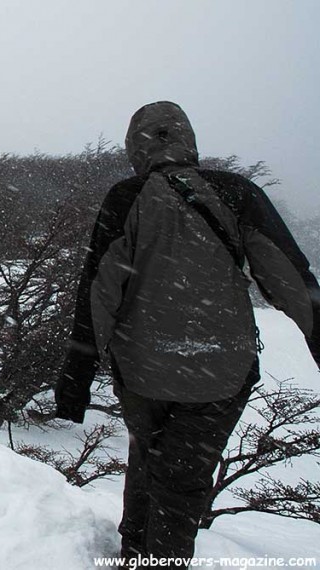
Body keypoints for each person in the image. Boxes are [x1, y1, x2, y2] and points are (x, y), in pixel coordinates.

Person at [55, 101, 320, 568]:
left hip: (142, 371)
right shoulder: (237, 192)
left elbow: (98, 291)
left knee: (144, 463)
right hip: (221, 372)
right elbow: (290, 280)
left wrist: (76, 375)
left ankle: (134, 553)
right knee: (180, 487)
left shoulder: (127, 197)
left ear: (134, 146)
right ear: (188, 140)